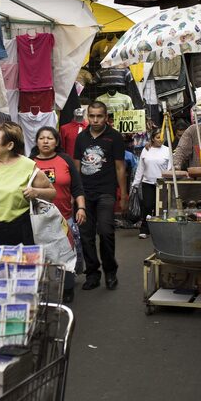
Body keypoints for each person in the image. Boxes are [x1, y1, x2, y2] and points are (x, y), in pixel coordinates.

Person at [73, 101, 128, 291]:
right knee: (86, 235)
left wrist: (124, 194)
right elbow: (77, 167)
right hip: (85, 193)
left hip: (106, 192)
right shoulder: (81, 138)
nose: (95, 120)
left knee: (106, 232)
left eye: (99, 116)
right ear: (88, 116)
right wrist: (75, 194)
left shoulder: (115, 137)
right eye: (92, 116)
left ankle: (110, 271)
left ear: (106, 117)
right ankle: (92, 273)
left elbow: (120, 167)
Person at [30, 126, 86, 303]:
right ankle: (39, 290)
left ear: (56, 142)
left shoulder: (65, 160)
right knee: (40, 254)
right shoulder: (28, 163)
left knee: (65, 252)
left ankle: (67, 286)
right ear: (37, 142)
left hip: (64, 216)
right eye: (42, 138)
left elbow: (77, 187)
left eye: (50, 138)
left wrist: (81, 208)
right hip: (38, 219)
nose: (45, 141)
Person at [0, 122, 56, 245]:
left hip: (19, 233)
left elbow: (52, 192)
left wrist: (36, 192)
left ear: (9, 145)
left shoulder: (28, 166)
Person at [132, 129, 173, 240]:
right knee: (148, 206)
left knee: (161, 208)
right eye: (158, 137)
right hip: (147, 183)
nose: (161, 140)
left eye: (162, 137)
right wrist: (135, 183)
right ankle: (144, 229)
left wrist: (168, 180)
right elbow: (141, 167)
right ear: (152, 138)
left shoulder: (167, 150)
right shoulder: (146, 150)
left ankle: (161, 230)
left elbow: (170, 168)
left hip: (162, 184)